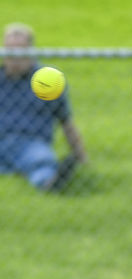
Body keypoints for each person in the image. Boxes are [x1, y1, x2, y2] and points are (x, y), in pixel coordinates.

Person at [0, 23, 87, 192]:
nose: (15, 57)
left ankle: (50, 183)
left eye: (21, 51)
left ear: (31, 52)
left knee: (42, 160)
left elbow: (66, 121)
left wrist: (81, 157)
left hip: (31, 143)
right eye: (10, 51)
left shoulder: (47, 81)